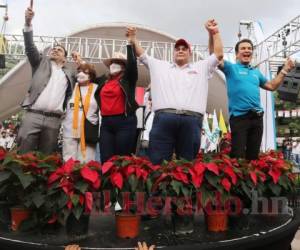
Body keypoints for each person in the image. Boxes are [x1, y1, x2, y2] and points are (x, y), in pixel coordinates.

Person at [126, 19, 223, 164]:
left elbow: (218, 55)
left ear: (190, 53)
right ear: (173, 52)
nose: (181, 50)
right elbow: (142, 55)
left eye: (184, 48)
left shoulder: (201, 67)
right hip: (164, 119)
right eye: (178, 48)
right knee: (157, 163)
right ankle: (158, 187)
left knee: (187, 164)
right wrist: (133, 40)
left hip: (191, 121)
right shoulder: (159, 66)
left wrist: (214, 32)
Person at [218, 38, 295, 160]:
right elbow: (217, 57)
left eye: (249, 48)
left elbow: (271, 86)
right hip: (239, 118)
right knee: (237, 155)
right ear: (237, 54)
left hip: (257, 118)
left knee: (253, 156)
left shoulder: (256, 72)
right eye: (243, 48)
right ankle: (238, 178)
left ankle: (251, 177)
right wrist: (214, 33)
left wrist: (285, 70)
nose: (247, 50)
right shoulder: (231, 68)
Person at [16, 6, 76, 154]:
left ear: (65, 58)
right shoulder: (40, 63)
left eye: (59, 50)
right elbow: (30, 47)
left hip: (54, 120)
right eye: (53, 49)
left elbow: (89, 74)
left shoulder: (70, 74)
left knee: (46, 159)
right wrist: (28, 23)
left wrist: (80, 61)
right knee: (23, 155)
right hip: (33, 115)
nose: (55, 50)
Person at [94, 36, 139, 163]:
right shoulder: (104, 80)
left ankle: (122, 183)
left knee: (122, 160)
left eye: (118, 62)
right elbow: (90, 76)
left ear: (124, 66)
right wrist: (80, 62)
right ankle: (106, 183)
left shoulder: (128, 79)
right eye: (112, 62)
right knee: (106, 159)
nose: (113, 65)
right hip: (106, 123)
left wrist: (130, 45)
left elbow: (133, 65)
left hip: (124, 122)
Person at [62, 63, 99, 162]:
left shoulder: (97, 89)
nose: (81, 74)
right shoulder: (70, 87)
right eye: (79, 72)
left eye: (85, 72)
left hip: (88, 132)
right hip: (69, 131)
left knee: (85, 163)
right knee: (68, 162)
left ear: (90, 75)